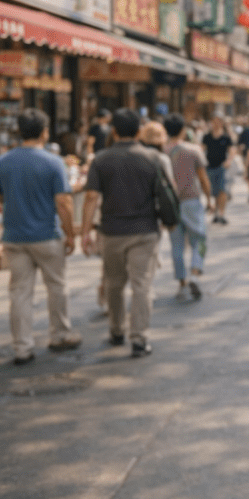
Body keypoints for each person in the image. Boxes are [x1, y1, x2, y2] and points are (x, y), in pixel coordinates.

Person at [0, 109, 82, 365]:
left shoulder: (2, 161)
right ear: (44, 131)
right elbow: (63, 202)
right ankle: (60, 334)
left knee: (20, 292)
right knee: (57, 286)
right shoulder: (53, 162)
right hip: (46, 235)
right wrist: (70, 233)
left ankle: (22, 347)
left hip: (14, 236)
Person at [81, 109, 164, 358]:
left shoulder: (101, 159)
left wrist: (85, 232)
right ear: (139, 131)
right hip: (145, 231)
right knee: (142, 286)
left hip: (111, 231)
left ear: (114, 131)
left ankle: (116, 330)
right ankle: (139, 339)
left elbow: (91, 197)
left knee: (114, 283)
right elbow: (165, 193)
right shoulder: (152, 157)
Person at [164, 114, 212, 301]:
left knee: (176, 245)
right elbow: (203, 177)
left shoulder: (163, 152)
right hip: (191, 200)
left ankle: (182, 282)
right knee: (199, 239)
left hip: (171, 204)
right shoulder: (193, 150)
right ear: (183, 130)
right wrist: (210, 199)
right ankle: (194, 273)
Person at [202, 115, 233, 224]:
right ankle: (216, 213)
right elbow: (201, 149)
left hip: (222, 167)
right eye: (213, 122)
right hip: (209, 167)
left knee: (222, 190)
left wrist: (228, 161)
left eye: (218, 122)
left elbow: (232, 150)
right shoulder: (207, 137)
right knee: (214, 191)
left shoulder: (226, 137)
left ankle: (221, 213)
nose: (215, 124)